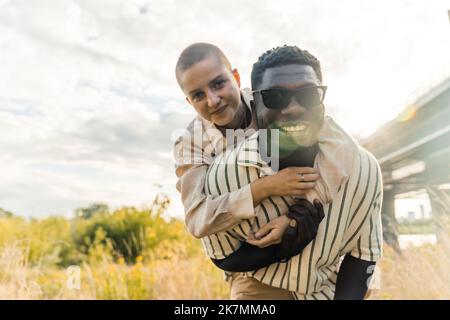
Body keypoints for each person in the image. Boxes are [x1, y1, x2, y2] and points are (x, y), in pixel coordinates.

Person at [203, 45, 383, 300]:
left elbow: (363, 255)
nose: (293, 108)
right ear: (255, 105)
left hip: (333, 283)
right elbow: (223, 256)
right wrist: (281, 250)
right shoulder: (223, 175)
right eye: (275, 97)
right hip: (260, 283)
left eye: (308, 95)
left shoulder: (363, 169)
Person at [173, 43, 320, 255]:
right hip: (249, 264)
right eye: (198, 95)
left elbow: (319, 138)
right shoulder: (189, 143)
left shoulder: (270, 98)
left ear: (236, 77)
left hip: (308, 234)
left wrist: (292, 219)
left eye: (218, 84)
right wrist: (265, 187)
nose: (212, 100)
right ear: (189, 102)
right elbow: (197, 219)